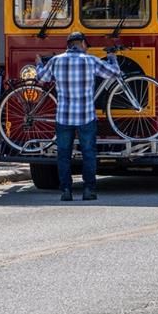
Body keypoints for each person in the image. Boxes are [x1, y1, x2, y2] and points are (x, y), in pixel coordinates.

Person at [36, 31, 122, 201]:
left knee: (63, 154)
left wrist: (38, 64)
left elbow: (42, 78)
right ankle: (89, 190)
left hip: (63, 116)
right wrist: (112, 57)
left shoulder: (56, 61)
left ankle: (66, 191)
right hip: (86, 116)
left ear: (68, 45)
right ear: (82, 43)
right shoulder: (90, 60)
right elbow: (115, 73)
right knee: (88, 153)